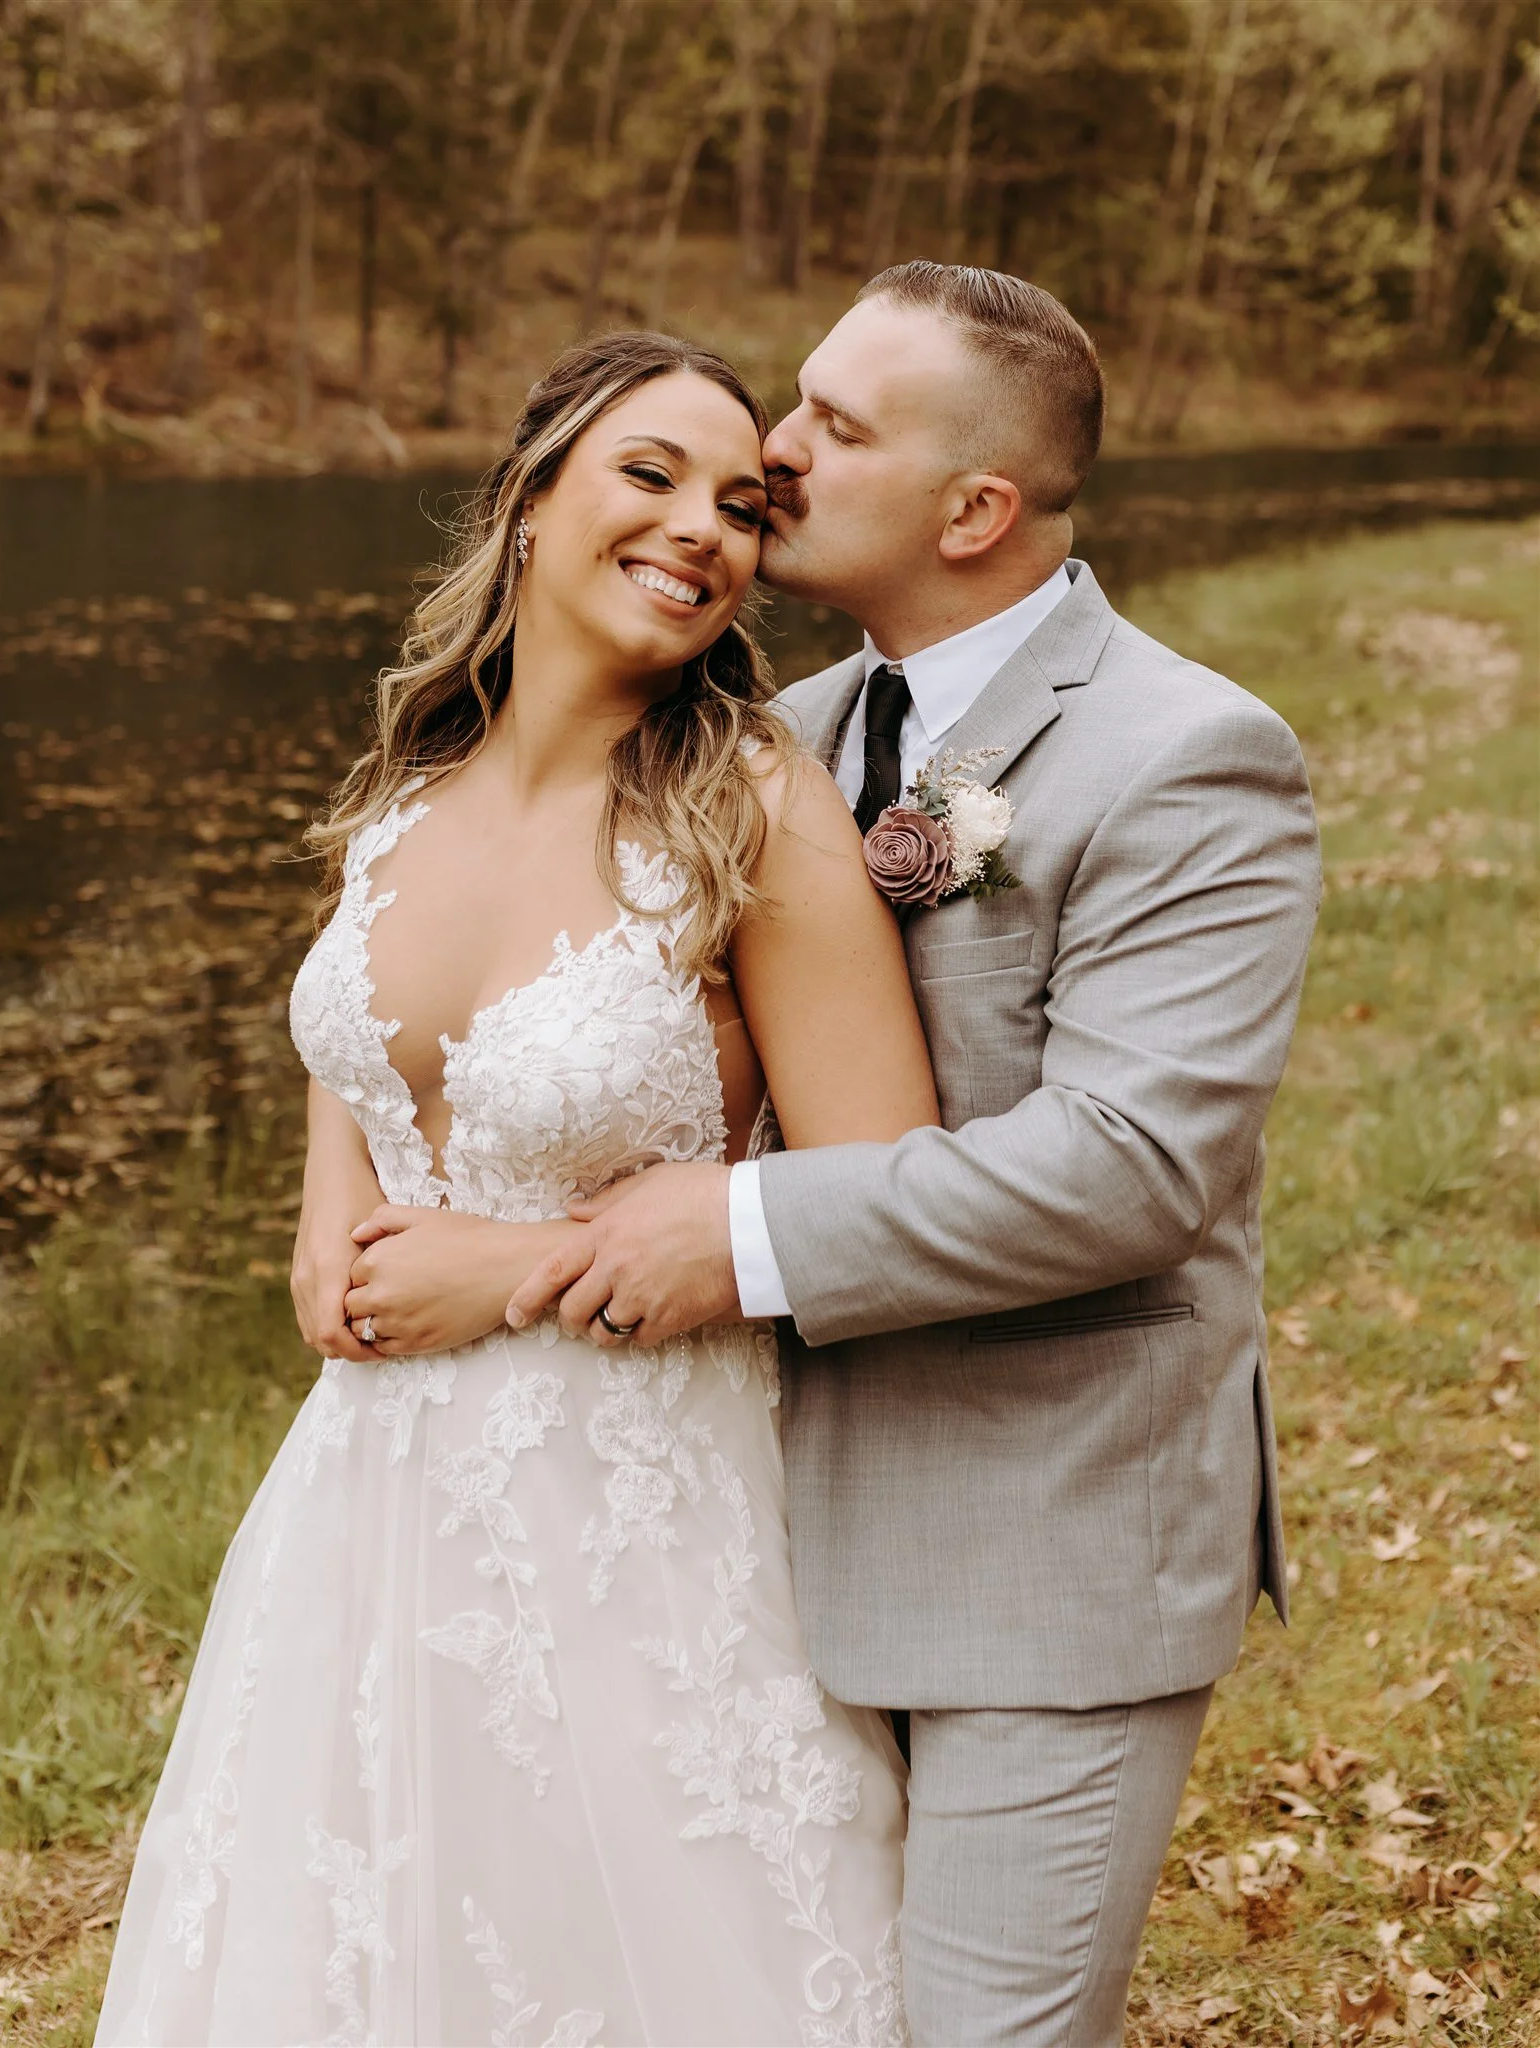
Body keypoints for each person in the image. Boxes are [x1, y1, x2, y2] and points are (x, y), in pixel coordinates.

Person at [503, 264, 1324, 2046]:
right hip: (754, 1538)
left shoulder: (1185, 756)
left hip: (1047, 1537)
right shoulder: (779, 742)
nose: (773, 456)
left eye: (832, 427)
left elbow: (1126, 1168)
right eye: (793, 403)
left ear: (976, 507)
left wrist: (735, 1229)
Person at [94, 332, 937, 2047]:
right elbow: (366, 1047)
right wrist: (321, 1211)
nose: (702, 527)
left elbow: (876, 1197)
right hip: (367, 1493)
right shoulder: (403, 793)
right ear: (531, 499)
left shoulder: (748, 808)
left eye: (740, 504)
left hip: (641, 1510)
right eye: (649, 476)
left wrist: (519, 1268)